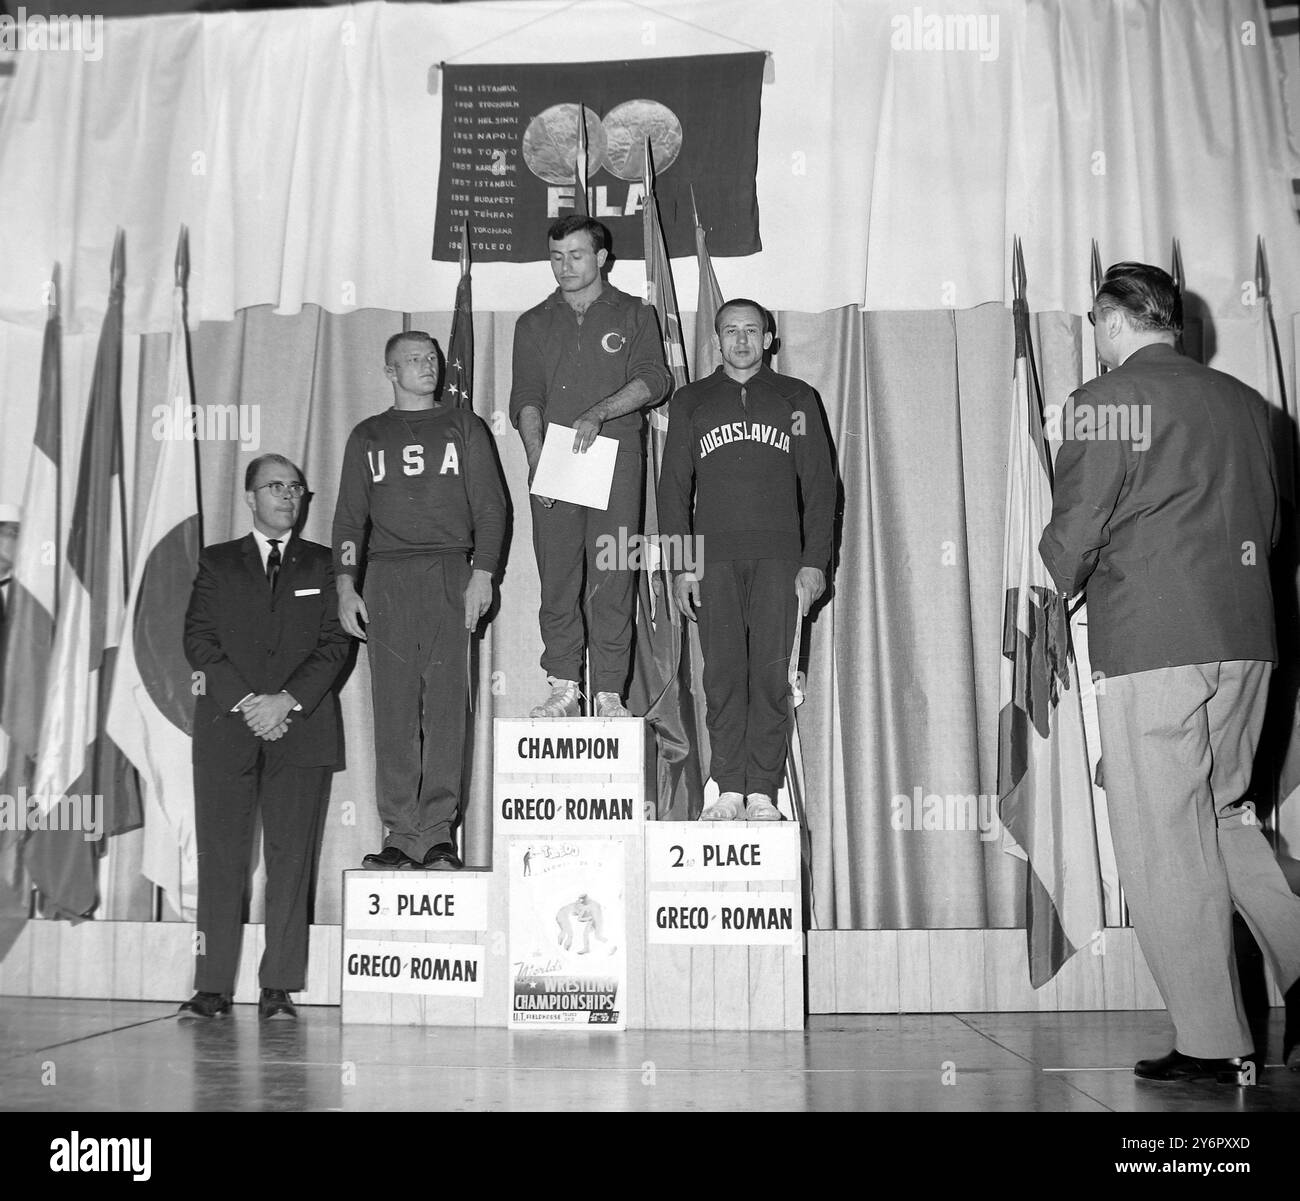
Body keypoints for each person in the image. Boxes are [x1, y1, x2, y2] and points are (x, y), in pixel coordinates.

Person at [1040, 262, 1300, 1083]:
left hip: (1155, 637)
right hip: (1249, 634)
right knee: (1223, 816)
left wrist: (1045, 585)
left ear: (1114, 321)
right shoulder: (1248, 406)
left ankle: (1213, 1039)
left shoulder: (1104, 399)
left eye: (1094, 322)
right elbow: (1267, 518)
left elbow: (1079, 521)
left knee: (1160, 839)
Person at [180, 455, 348, 1020]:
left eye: (296, 487)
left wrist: (285, 701)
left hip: (301, 728)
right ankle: (212, 987)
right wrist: (251, 703)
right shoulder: (217, 562)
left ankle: (278, 987)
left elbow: (336, 643)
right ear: (250, 497)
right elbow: (199, 640)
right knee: (222, 858)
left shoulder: (326, 565)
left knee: (291, 858)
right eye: (274, 487)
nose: (287, 495)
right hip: (229, 728)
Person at [333, 331, 506, 871]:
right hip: (386, 577)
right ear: (390, 371)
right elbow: (347, 518)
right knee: (395, 708)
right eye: (412, 360)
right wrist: (344, 583)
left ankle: (436, 832)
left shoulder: (463, 425)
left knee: (448, 706)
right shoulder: (368, 435)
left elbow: (492, 508)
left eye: (431, 358)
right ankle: (399, 831)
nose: (426, 366)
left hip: (449, 570)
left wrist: (483, 575)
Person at [658, 299, 834, 821]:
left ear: (769, 338)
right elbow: (673, 490)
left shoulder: (796, 398)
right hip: (714, 561)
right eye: (730, 331)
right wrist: (682, 565)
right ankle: (727, 786)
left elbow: (821, 487)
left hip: (781, 559)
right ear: (716, 339)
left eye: (751, 331)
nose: (741, 341)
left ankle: (763, 791)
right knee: (724, 675)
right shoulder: (692, 401)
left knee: (772, 675)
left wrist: (814, 561)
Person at [509, 215, 672, 719]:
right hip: (557, 464)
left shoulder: (633, 313)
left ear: (601, 258)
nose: (565, 267)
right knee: (557, 576)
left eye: (576, 255)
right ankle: (563, 685)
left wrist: (599, 412)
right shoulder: (533, 322)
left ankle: (606, 691)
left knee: (613, 572)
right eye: (556, 257)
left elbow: (655, 380)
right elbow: (527, 398)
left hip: (615, 462)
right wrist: (539, 462)